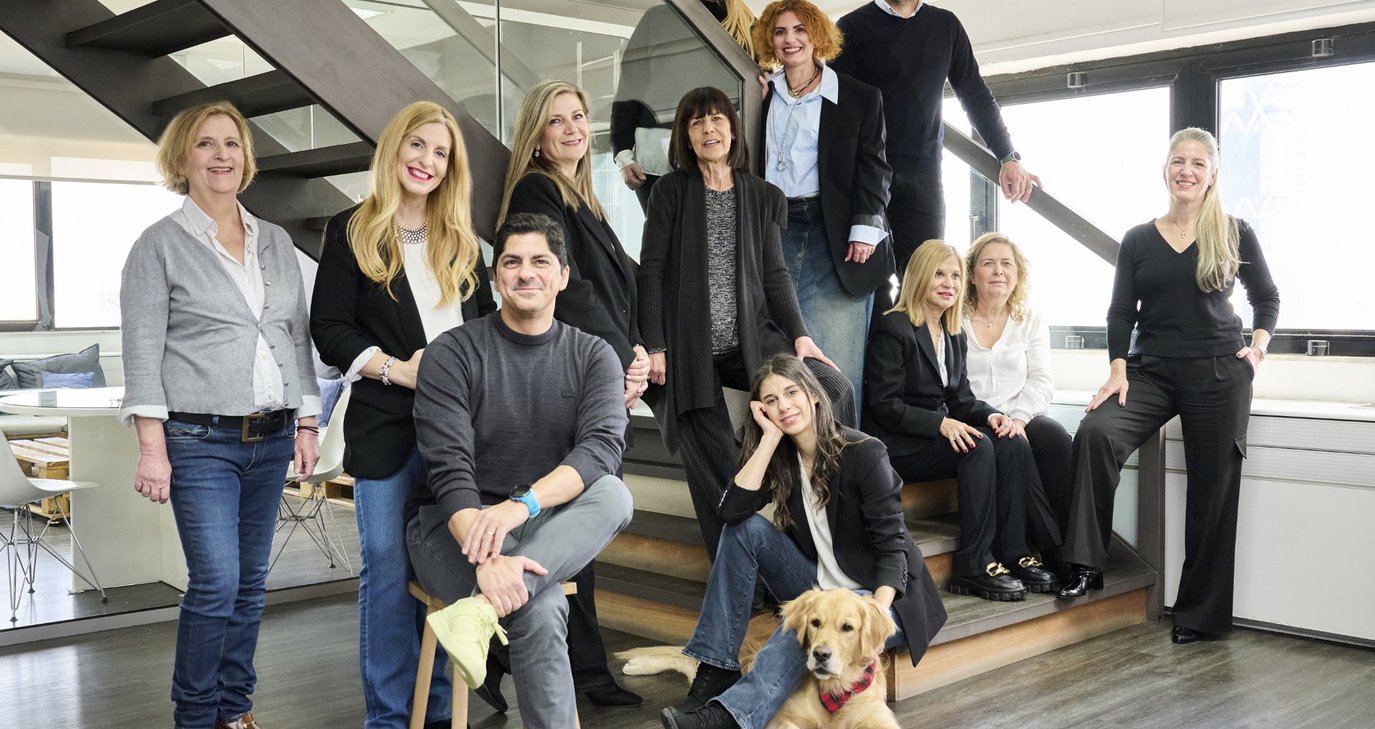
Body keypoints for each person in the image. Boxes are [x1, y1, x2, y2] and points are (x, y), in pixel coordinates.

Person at [120, 100, 321, 729]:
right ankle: (195, 715)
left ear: (246, 156)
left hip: (273, 436)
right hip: (198, 439)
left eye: (231, 143)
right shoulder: (158, 245)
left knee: (251, 583)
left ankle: (235, 711)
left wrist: (307, 422)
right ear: (182, 159)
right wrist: (152, 449)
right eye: (205, 144)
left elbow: (295, 336)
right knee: (216, 582)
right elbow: (142, 353)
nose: (221, 155)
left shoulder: (275, 240)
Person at [405, 213, 635, 729]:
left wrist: (519, 507)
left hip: (541, 521)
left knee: (615, 494)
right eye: (512, 262)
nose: (526, 273)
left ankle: (478, 612)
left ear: (563, 276)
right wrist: (489, 557)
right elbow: (449, 470)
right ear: (495, 278)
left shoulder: (593, 355)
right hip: (452, 526)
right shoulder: (452, 353)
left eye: (540, 261)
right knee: (540, 606)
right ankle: (492, 600)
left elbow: (601, 450)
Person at [1056, 128, 1280, 647]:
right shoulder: (1139, 238)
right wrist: (1117, 369)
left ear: (1212, 175)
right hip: (1151, 370)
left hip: (1219, 371)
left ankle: (1198, 613)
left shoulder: (1235, 231)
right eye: (1179, 161)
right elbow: (1120, 311)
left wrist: (1257, 350)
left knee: (1212, 490)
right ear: (1165, 170)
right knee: (1096, 434)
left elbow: (1267, 297)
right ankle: (1085, 563)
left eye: (1198, 163)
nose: (1187, 170)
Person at [310, 101, 495, 729]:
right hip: (386, 427)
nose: (427, 161)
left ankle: (435, 711)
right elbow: (328, 328)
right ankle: (390, 717)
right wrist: (397, 369)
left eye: (441, 152)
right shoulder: (352, 230)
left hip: (459, 436)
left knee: (442, 570)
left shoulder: (463, 242)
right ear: (394, 148)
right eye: (418, 145)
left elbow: (488, 333)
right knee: (388, 571)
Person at [660, 354, 946, 729]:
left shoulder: (864, 453)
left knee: (799, 632)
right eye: (771, 400)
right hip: (820, 585)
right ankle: (716, 669)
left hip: (881, 597)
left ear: (813, 394)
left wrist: (875, 618)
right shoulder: (782, 459)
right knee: (743, 532)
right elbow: (731, 512)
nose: (784, 405)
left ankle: (728, 716)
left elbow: (893, 548)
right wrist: (768, 440)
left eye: (791, 392)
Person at [638, 85, 855, 560]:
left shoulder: (762, 195)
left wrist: (800, 335)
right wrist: (654, 343)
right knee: (712, 457)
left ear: (734, 130)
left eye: (717, 119)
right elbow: (650, 269)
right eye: (696, 122)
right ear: (686, 136)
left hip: (753, 341)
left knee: (833, 389)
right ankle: (738, 568)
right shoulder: (669, 192)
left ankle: (833, 510)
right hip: (689, 347)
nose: (708, 129)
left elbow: (776, 274)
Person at [494, 78, 644, 708]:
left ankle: (511, 656)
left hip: (596, 366)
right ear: (536, 136)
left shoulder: (586, 200)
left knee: (573, 524)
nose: (573, 128)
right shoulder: (539, 190)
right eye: (557, 120)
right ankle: (577, 668)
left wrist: (642, 348)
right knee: (575, 519)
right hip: (570, 374)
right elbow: (570, 288)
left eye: (579, 116)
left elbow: (626, 285)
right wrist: (619, 360)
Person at [864, 242, 1061, 602]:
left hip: (933, 436)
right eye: (939, 274)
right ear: (920, 277)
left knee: (1010, 438)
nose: (949, 283)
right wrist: (940, 425)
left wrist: (993, 415)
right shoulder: (894, 327)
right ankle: (973, 564)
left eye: (955, 276)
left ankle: (1014, 553)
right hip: (900, 443)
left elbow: (962, 400)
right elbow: (884, 404)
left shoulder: (953, 333)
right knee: (978, 447)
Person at [754, 0, 894, 413]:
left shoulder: (858, 97)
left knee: (835, 369)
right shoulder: (760, 93)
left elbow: (875, 169)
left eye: (800, 30)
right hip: (774, 229)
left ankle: (844, 453)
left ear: (818, 36)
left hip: (834, 235)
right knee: (778, 364)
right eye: (780, 32)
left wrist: (865, 229)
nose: (790, 40)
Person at [830, 0, 1041, 272]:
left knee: (924, 281)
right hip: (866, 177)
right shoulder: (851, 27)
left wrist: (1007, 156)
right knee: (866, 282)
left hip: (924, 178)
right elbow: (836, 112)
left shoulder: (946, 26)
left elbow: (976, 96)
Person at [960, 232, 1074, 568]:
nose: (998, 271)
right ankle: (1054, 552)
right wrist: (1001, 421)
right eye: (988, 263)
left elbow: (1041, 379)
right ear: (972, 275)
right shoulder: (956, 319)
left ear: (1018, 273)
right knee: (1014, 445)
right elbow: (952, 384)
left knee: (1055, 439)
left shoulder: (1031, 319)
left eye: (1006, 264)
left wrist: (1021, 419)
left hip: (1020, 414)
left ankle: (1071, 542)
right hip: (975, 416)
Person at [612, 0, 756, 210]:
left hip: (723, 161)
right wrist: (622, 153)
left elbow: (758, 90)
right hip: (658, 161)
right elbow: (630, 87)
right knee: (664, 231)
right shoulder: (658, 18)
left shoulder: (748, 24)